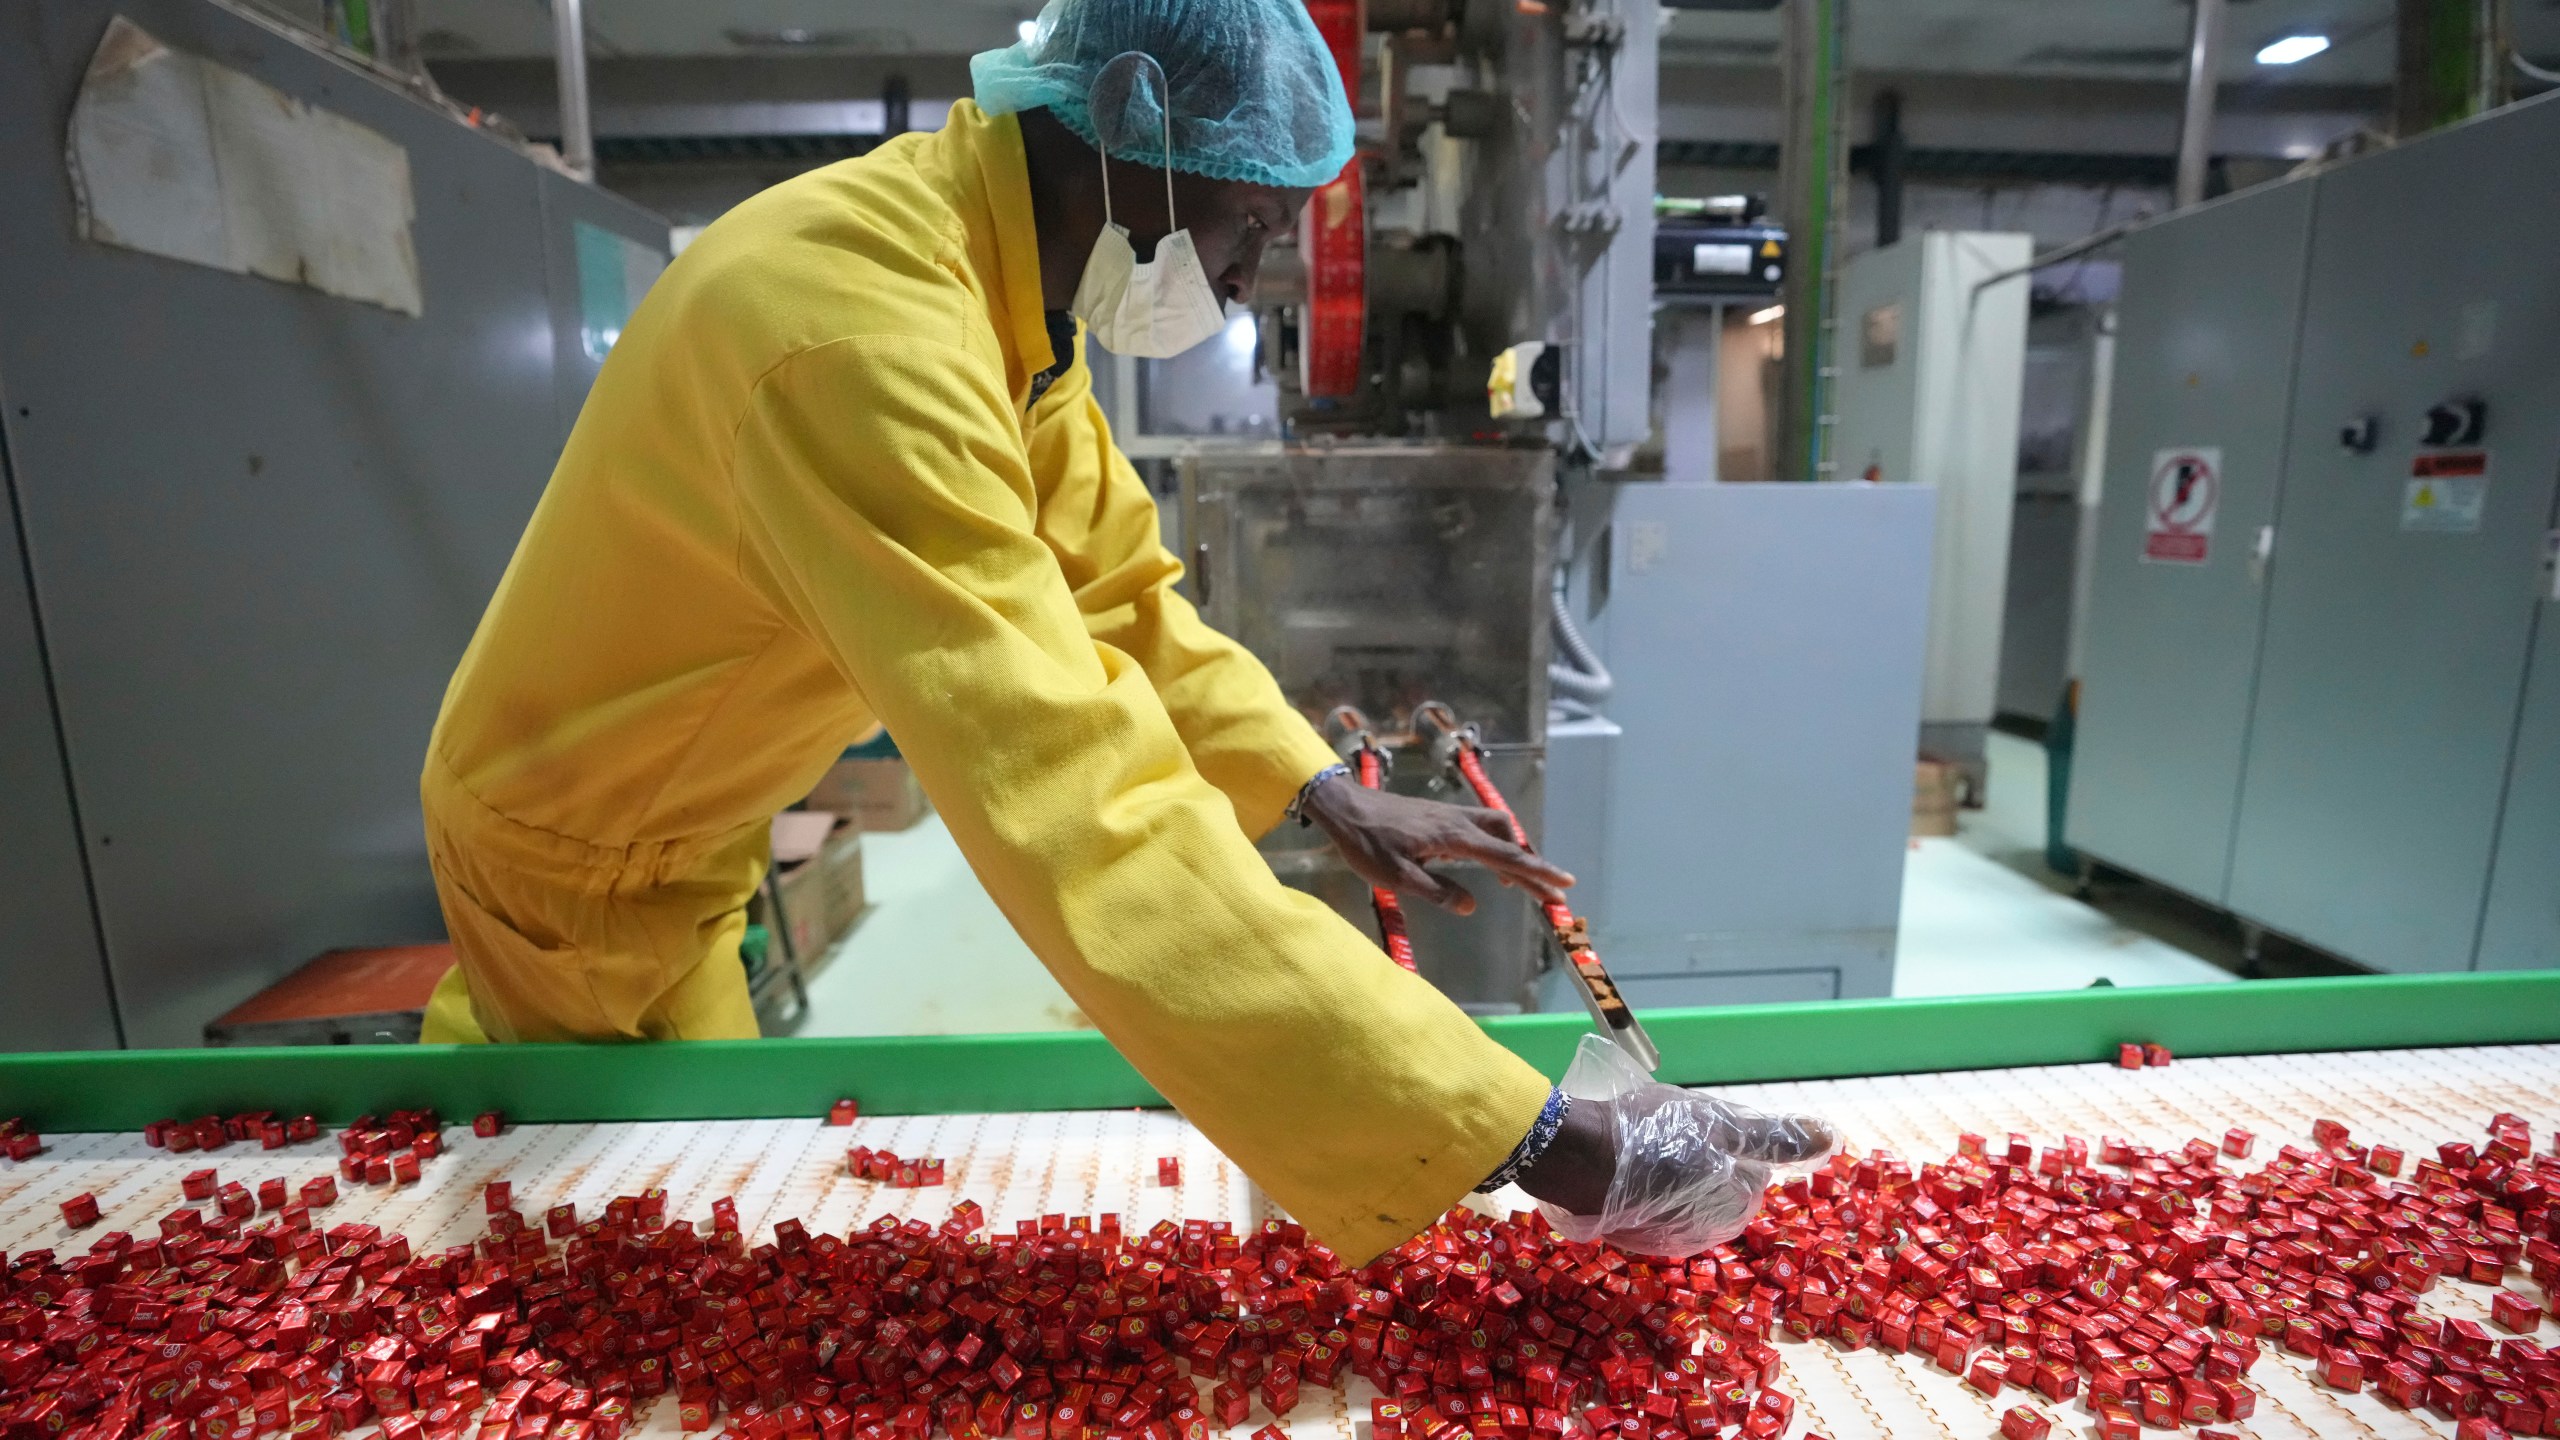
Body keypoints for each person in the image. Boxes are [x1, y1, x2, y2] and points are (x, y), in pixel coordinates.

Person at [418, 0, 1832, 1263]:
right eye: (1251, 228)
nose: (1253, 278)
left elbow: (1117, 593)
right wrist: (1530, 1137)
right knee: (602, 1242)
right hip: (580, 853)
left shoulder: (992, 286)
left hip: (685, 828)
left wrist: (1315, 785)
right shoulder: (862, 340)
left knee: (696, 1188)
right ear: (1128, 135)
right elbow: (1080, 809)